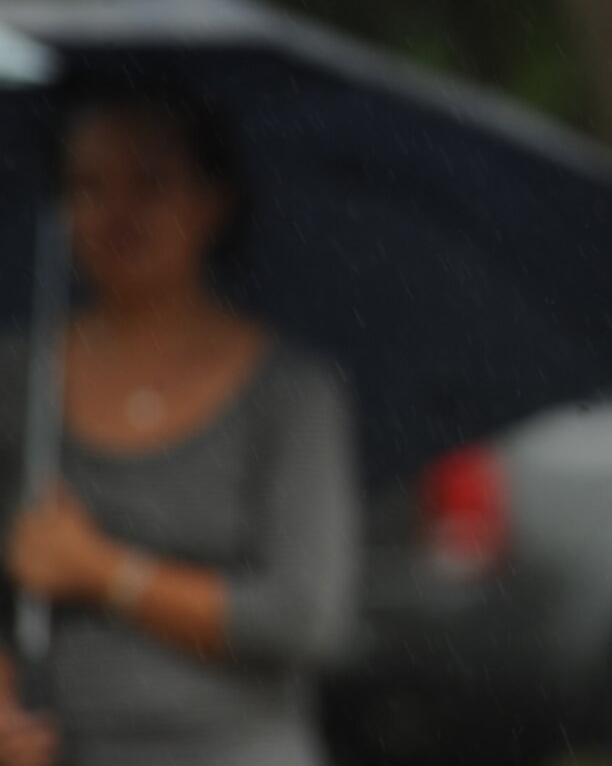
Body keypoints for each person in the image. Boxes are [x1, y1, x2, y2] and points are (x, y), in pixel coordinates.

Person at [0, 78, 359, 766]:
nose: (117, 213)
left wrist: (103, 571)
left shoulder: (290, 394)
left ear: (213, 201)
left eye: (149, 184)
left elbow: (304, 616)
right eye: (89, 186)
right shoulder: (18, 379)